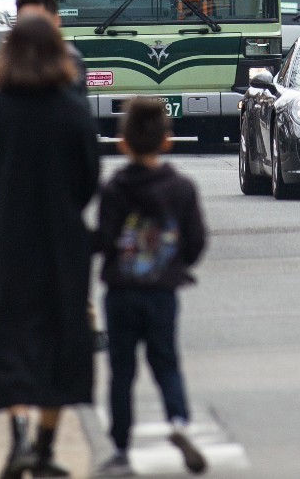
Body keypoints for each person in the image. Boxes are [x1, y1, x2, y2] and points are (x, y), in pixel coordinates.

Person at [0, 0, 99, 479]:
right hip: (60, 241)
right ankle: (48, 448)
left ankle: (18, 439)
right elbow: (89, 178)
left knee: (6, 336)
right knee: (60, 337)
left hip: (3, 240)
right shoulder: (72, 111)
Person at [95, 96, 209, 477]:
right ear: (167, 140)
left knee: (122, 370)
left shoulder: (115, 188)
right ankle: (177, 421)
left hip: (121, 293)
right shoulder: (181, 188)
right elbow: (196, 241)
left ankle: (121, 445)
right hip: (162, 292)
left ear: (122, 142)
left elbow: (105, 238)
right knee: (166, 362)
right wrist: (175, 265)